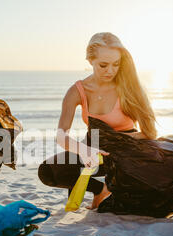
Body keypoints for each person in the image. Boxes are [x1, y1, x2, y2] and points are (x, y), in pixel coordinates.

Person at [38, 32, 157, 210]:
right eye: (103, 65)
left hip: (125, 148)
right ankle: (100, 189)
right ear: (90, 60)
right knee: (48, 171)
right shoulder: (77, 91)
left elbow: (151, 133)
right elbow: (61, 136)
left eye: (116, 64)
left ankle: (111, 189)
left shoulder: (129, 87)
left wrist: (118, 142)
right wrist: (84, 150)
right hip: (92, 148)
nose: (110, 71)